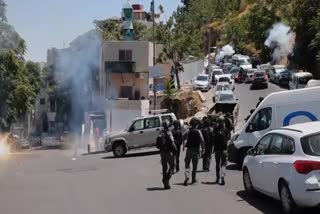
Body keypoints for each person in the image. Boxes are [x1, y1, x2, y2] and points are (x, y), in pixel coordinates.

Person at [183, 118, 204, 186]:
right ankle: (193, 179)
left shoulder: (188, 131)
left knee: (187, 165)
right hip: (196, 151)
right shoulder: (198, 131)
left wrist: (183, 145)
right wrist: (203, 148)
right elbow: (202, 140)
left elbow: (183, 136)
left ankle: (187, 176)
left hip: (189, 150)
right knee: (195, 166)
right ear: (196, 124)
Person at [156, 121, 177, 189]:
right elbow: (172, 142)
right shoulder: (169, 133)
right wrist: (175, 149)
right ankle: (166, 179)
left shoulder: (160, 132)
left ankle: (165, 182)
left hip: (162, 152)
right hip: (168, 152)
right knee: (172, 166)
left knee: (164, 167)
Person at [214, 116, 228, 185]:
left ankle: (217, 178)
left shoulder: (215, 129)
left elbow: (213, 138)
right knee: (223, 164)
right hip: (224, 149)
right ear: (223, 122)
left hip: (217, 150)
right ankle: (222, 176)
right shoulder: (225, 130)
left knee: (217, 164)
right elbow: (228, 138)